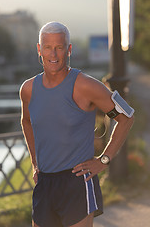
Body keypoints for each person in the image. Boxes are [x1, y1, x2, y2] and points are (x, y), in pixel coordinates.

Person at [20, 21, 134, 227]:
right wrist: (35, 163)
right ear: (39, 49)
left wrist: (104, 160)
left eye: (59, 47)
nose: (53, 55)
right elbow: (26, 121)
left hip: (77, 182)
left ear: (69, 49)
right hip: (44, 183)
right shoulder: (28, 89)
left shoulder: (86, 86)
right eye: (47, 47)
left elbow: (126, 118)